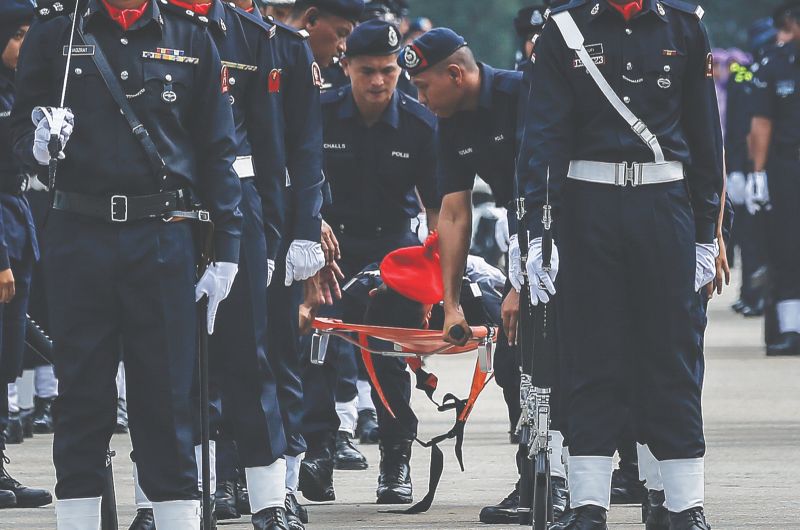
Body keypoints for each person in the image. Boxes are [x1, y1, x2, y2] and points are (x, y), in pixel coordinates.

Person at [12, 0, 244, 526]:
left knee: (166, 401)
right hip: (79, 233)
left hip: (161, 237)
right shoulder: (54, 31)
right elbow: (18, 136)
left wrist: (226, 250)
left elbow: (217, 149)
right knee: (81, 399)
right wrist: (40, 147)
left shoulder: (191, 35)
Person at [518, 1, 723, 528]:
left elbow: (706, 138)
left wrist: (707, 234)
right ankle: (589, 505)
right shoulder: (565, 28)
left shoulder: (683, 26)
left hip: (664, 206)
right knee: (591, 356)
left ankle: (684, 506)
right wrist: (538, 233)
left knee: (672, 357)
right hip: (589, 208)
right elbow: (543, 137)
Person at [399, 27, 569, 524]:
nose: (420, 98)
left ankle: (585, 477)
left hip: (567, 238)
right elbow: (453, 213)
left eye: (425, 86)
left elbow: (549, 186)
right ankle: (538, 478)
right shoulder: (451, 121)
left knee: (568, 360)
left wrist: (521, 284)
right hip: (524, 246)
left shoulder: (525, 93)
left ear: (456, 73)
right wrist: (450, 303)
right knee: (516, 364)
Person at [299, 18, 440, 505]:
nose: (378, 81)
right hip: (329, 249)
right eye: (366, 71)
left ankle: (396, 460)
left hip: (394, 252)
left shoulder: (421, 124)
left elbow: (440, 204)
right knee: (317, 345)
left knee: (390, 351)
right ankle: (318, 451)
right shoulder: (319, 113)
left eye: (387, 70)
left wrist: (436, 269)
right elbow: (298, 180)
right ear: (346, 66)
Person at [0, 0, 52, 511]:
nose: (26, 44)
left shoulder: (18, 91)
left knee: (8, 353)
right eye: (18, 35)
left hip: (16, 218)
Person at [749, 1, 800, 357]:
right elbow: (761, 124)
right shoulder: (776, 62)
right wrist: (757, 173)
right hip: (788, 167)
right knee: (787, 248)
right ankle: (791, 328)